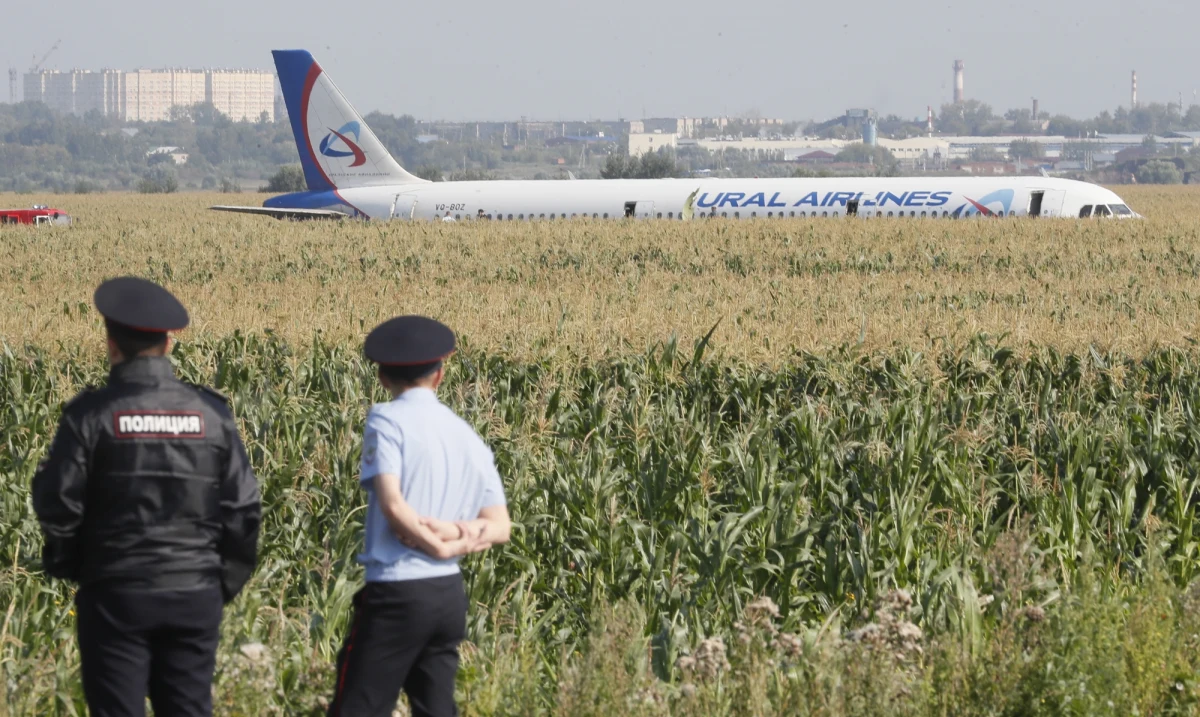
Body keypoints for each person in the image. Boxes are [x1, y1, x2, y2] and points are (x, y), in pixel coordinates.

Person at [32, 276, 261, 717]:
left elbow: (58, 501)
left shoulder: (91, 415)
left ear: (110, 343)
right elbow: (244, 509)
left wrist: (76, 566)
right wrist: (221, 582)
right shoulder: (211, 415)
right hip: (194, 591)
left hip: (116, 590)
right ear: (169, 344)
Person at [328, 315, 511, 717]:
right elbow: (500, 526)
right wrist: (457, 536)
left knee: (357, 706)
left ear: (381, 376)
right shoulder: (466, 434)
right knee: (436, 708)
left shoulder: (387, 419)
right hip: (447, 595)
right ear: (440, 375)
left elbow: (392, 504)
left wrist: (434, 544)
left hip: (397, 591)